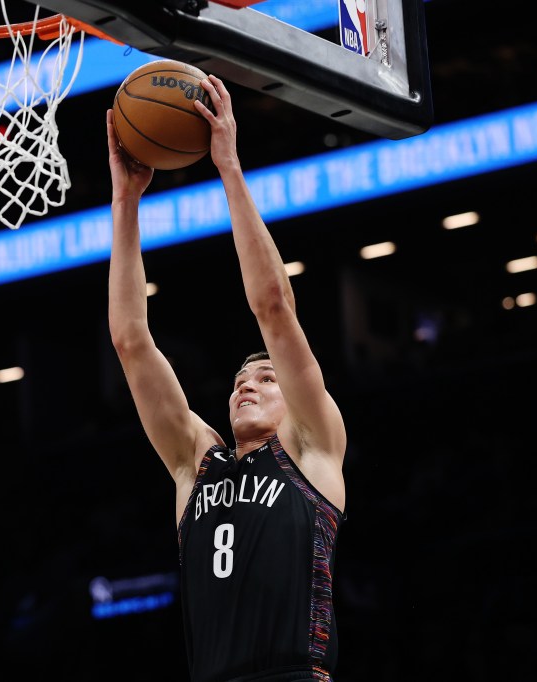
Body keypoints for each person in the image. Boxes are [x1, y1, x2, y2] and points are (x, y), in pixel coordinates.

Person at [107, 74, 347, 681]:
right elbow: (131, 341)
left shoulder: (311, 447)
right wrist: (126, 202)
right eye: (242, 379)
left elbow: (273, 305)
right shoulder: (196, 462)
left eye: (267, 378)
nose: (248, 383)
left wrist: (229, 169)